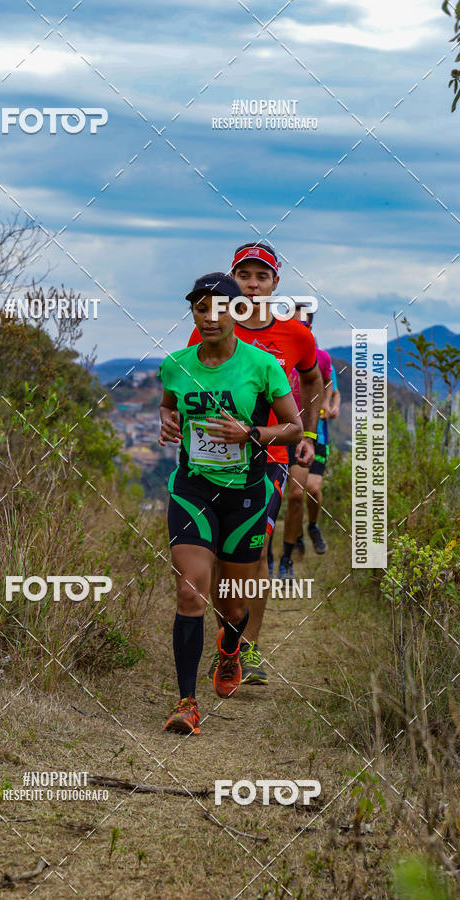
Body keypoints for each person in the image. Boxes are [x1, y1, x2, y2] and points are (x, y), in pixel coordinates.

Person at [159, 272, 302, 734]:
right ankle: (186, 702)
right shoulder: (175, 364)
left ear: (238, 312)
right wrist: (167, 421)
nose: (210, 315)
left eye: (220, 306)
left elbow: (294, 428)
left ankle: (229, 650)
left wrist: (252, 434)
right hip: (192, 488)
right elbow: (168, 403)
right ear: (194, 314)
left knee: (233, 607)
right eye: (201, 308)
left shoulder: (262, 366)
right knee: (190, 591)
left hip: (244, 494)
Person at [188, 243, 323, 685]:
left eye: (261, 276)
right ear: (231, 281)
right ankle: (228, 640)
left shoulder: (295, 336)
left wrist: (308, 433)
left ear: (274, 284)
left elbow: (311, 378)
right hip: (215, 460)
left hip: (270, 457)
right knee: (221, 556)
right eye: (243, 275)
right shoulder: (208, 330)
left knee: (256, 549)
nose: (251, 283)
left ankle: (248, 648)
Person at [280, 306, 331, 577]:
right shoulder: (274, 352)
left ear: (310, 326)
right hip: (277, 430)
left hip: (310, 433)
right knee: (288, 495)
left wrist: (329, 405)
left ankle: (310, 527)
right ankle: (282, 551)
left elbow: (327, 384)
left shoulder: (319, 357)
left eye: (303, 323)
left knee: (306, 490)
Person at [296, 360, 341, 555]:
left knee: (313, 489)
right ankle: (295, 538)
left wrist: (333, 406)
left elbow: (335, 392)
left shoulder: (322, 363)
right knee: (294, 493)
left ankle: (313, 526)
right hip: (290, 436)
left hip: (318, 437)